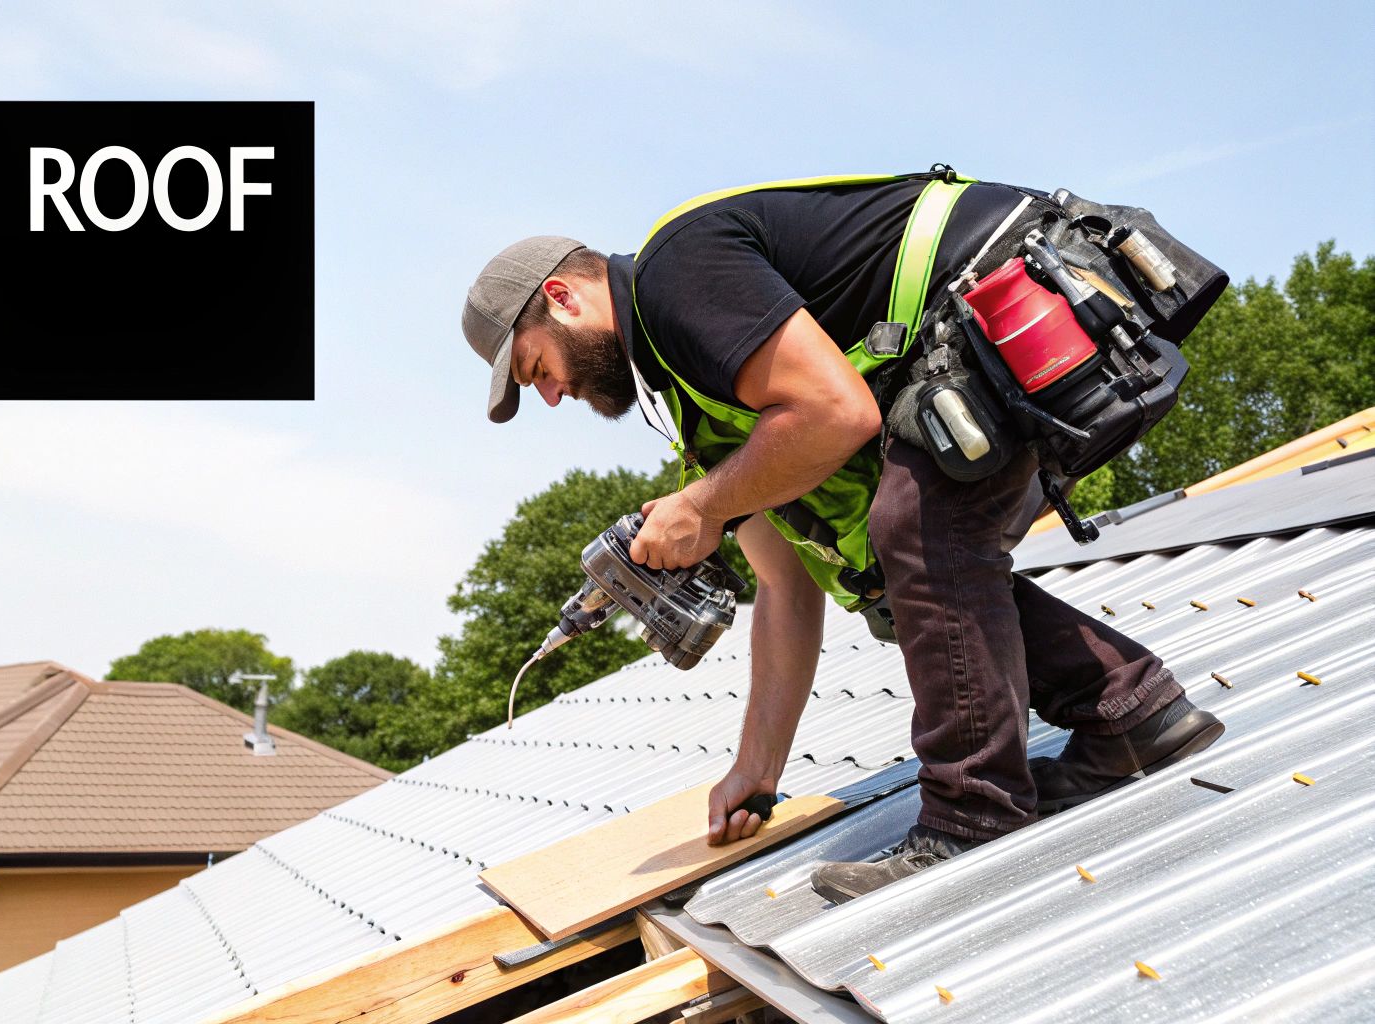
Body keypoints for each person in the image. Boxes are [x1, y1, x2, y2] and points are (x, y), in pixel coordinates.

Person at [458, 172, 1223, 902]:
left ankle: (973, 816)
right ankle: (1132, 715)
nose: (552, 396)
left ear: (562, 298)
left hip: (1030, 295)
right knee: (891, 578)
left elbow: (837, 413)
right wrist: (756, 769)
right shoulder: (691, 396)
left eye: (536, 369)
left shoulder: (674, 276)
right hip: (1000, 327)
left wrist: (702, 506)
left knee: (915, 528)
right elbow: (785, 590)